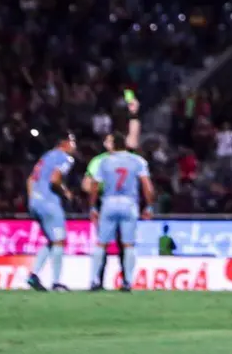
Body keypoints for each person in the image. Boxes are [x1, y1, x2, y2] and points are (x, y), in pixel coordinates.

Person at [85, 96, 142, 287]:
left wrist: (134, 114)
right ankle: (106, 280)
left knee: (115, 245)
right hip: (118, 202)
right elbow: (87, 185)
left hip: (108, 203)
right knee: (119, 244)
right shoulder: (99, 161)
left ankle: (114, 279)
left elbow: (89, 185)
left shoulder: (103, 161)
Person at [88, 134, 155, 292]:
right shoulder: (138, 161)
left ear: (113, 145)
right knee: (128, 244)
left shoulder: (104, 161)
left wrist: (92, 207)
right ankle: (127, 282)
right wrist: (150, 206)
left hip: (109, 202)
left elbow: (94, 186)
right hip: (129, 203)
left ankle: (94, 280)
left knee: (101, 243)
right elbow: (147, 186)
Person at [25, 132, 77, 292]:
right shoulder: (65, 158)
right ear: (64, 143)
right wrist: (65, 191)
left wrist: (32, 200)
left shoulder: (46, 156)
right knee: (59, 241)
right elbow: (55, 179)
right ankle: (56, 282)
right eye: (73, 142)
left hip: (35, 201)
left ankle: (33, 275)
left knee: (52, 240)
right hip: (49, 202)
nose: (75, 146)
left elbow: (30, 179)